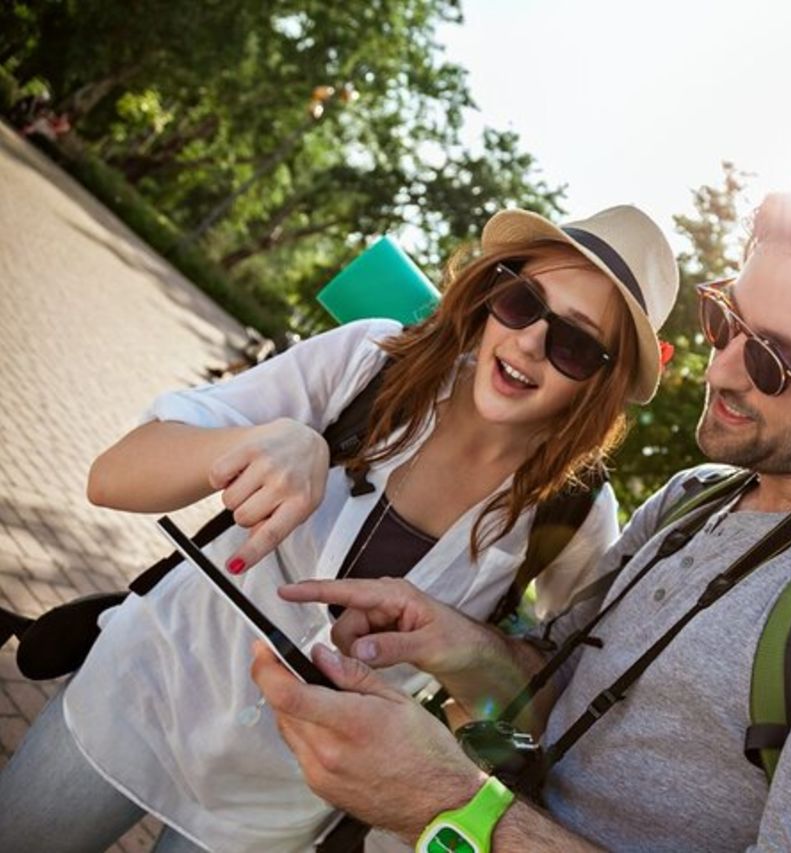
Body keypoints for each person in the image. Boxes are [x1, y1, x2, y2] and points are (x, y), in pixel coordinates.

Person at [249, 167, 791, 851]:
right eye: (723, 321)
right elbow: (558, 694)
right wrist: (452, 641)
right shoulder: (691, 499)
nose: (721, 370)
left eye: (772, 360)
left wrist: (444, 800)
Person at [0, 205, 679, 852]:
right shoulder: (367, 362)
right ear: (491, 293)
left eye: (575, 342)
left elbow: (540, 709)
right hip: (143, 689)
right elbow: (112, 475)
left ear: (603, 380)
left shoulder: (575, 515)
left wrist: (467, 654)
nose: (530, 339)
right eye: (523, 301)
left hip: (277, 805)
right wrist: (270, 439)